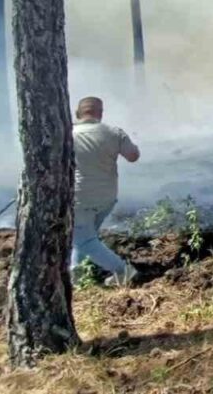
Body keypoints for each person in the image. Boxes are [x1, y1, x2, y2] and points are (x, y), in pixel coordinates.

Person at [71, 96, 140, 286]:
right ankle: (77, 276)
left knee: (84, 240)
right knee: (86, 236)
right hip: (107, 197)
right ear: (100, 114)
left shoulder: (68, 134)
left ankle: (123, 271)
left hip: (80, 198)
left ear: (77, 113)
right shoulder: (114, 132)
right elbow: (133, 156)